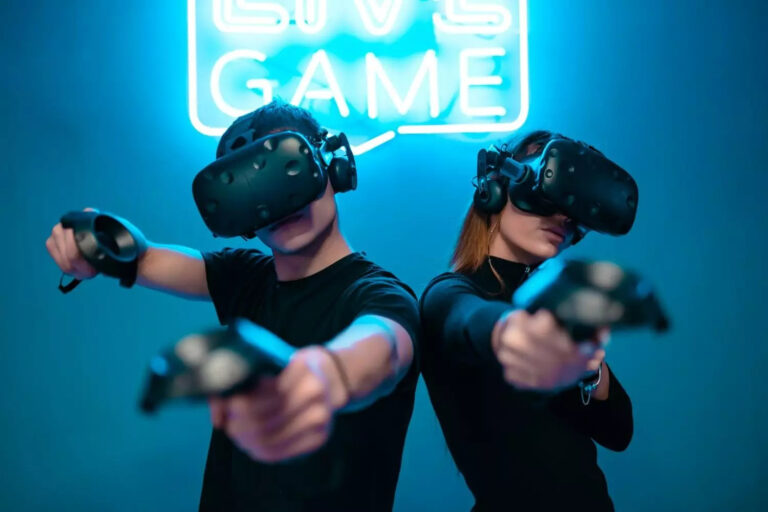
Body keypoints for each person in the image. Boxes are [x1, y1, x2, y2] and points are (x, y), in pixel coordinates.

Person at [45, 100, 420, 511]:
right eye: (255, 187)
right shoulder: (247, 279)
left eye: (288, 170)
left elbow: (384, 347)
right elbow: (140, 256)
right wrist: (89, 239)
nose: (282, 202)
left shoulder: (380, 295)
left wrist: (326, 375)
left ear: (331, 165)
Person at [420, 130, 633, 511]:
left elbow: (618, 432)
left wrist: (589, 368)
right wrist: (517, 332)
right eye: (549, 192)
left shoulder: (551, 304)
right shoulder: (449, 295)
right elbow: (470, 321)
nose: (563, 216)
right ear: (497, 186)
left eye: (573, 206)